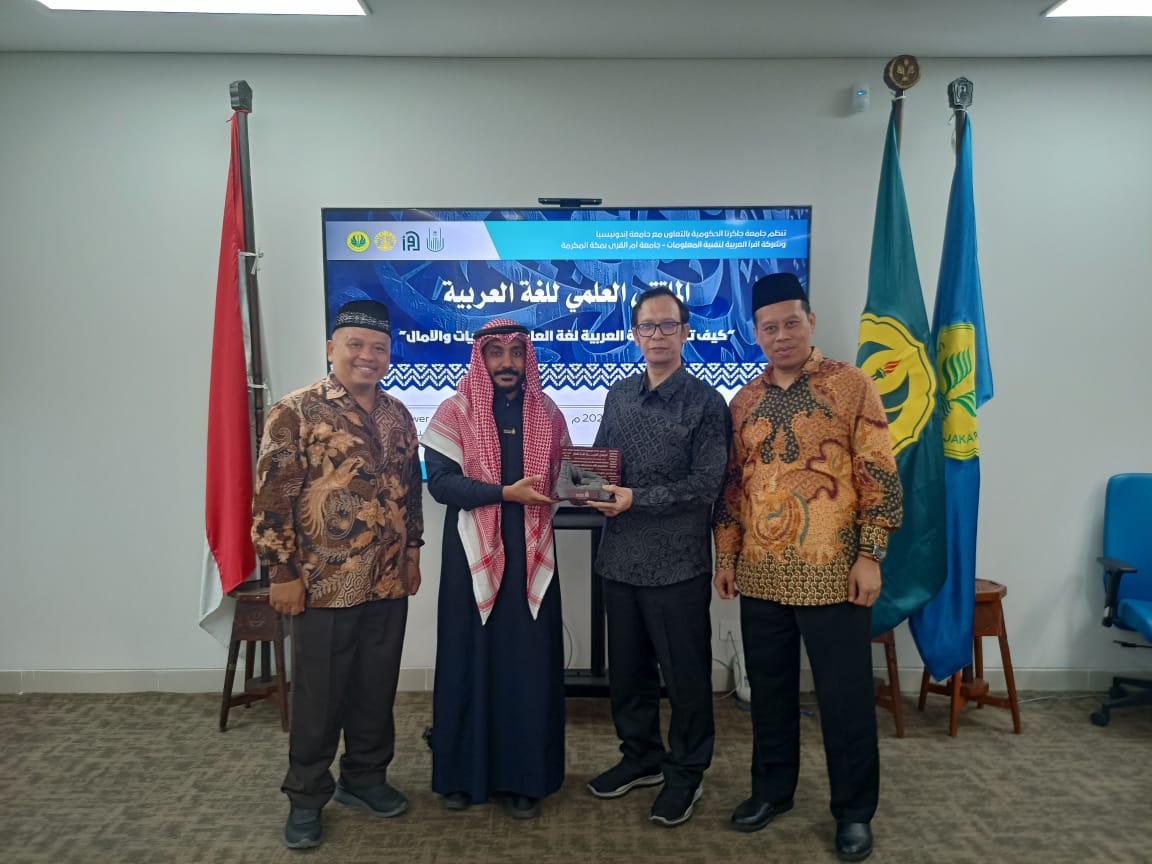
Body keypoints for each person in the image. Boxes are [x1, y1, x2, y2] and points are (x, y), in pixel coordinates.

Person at [712, 272, 902, 862]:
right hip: (761, 574)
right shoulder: (743, 401)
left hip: (835, 574)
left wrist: (870, 555)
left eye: (791, 323)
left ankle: (853, 812)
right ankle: (773, 791)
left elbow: (880, 475)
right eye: (769, 327)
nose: (782, 335)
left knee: (845, 699)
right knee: (768, 695)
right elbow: (733, 486)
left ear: (811, 322)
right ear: (755, 333)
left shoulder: (851, 386)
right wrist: (727, 555)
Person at [252, 299, 423, 850]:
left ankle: (365, 779)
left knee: (375, 688)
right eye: (355, 345)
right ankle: (306, 797)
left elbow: (409, 494)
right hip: (322, 584)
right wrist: (281, 572)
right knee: (320, 696)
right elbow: (272, 499)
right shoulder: (295, 411)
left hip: (387, 580)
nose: (367, 356)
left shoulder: (399, 415)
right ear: (332, 349)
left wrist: (413, 552)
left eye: (379, 347)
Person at [584, 287, 731, 828]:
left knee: (685, 677)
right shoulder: (619, 395)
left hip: (677, 566)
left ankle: (686, 772)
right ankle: (641, 756)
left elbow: (706, 484)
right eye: (647, 326)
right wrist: (581, 483)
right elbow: (602, 463)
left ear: (686, 332)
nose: (658, 336)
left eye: (668, 325)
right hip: (619, 560)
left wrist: (636, 498)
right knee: (628, 674)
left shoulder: (706, 404)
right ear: (634, 334)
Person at [421, 319, 571, 819]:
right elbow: (442, 484)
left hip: (530, 555)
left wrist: (591, 488)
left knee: (527, 667)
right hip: (470, 558)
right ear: (481, 358)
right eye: (496, 353)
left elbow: (565, 477)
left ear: (528, 357)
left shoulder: (548, 413)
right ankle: (461, 776)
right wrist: (504, 493)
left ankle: (526, 780)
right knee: (467, 661)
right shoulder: (455, 410)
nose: (507, 363)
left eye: (516, 352)